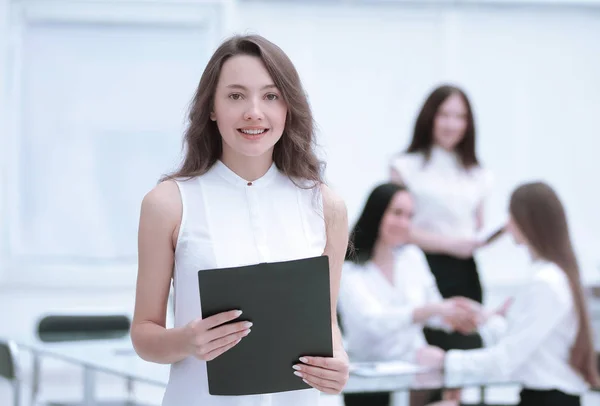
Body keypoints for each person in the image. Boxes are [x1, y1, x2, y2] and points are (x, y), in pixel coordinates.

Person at [130, 34, 350, 406]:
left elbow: (326, 323)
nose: (254, 112)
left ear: (288, 108)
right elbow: (143, 333)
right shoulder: (168, 203)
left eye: (270, 96)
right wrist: (186, 340)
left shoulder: (325, 206)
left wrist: (339, 363)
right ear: (211, 108)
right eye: (235, 96)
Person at [417, 182, 600, 406]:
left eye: (511, 216)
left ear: (528, 221)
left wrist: (445, 361)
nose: (507, 225)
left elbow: (506, 359)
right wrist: (485, 318)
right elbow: (526, 344)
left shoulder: (545, 282)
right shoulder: (555, 276)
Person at [338, 183, 480, 406]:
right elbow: (371, 323)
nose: (404, 223)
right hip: (371, 383)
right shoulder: (349, 271)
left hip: (416, 372)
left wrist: (457, 314)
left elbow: (433, 308)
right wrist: (427, 311)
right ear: (376, 213)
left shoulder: (412, 257)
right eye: (397, 213)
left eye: (409, 216)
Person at [390, 84, 494, 352]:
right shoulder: (406, 166)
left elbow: (478, 225)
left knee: (463, 346)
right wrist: (450, 244)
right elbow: (396, 228)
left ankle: (453, 397)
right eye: (444, 115)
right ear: (430, 117)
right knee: (423, 351)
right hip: (421, 268)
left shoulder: (478, 173)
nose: (452, 124)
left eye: (460, 117)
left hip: (464, 271)